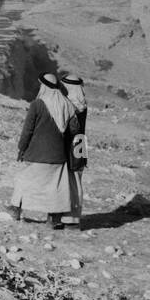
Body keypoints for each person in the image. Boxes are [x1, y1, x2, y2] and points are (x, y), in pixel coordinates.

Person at [7, 74, 80, 230]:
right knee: (56, 187)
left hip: (37, 155)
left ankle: (15, 210)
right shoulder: (67, 105)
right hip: (58, 156)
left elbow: (28, 130)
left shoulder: (37, 105)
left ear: (44, 87)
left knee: (24, 179)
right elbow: (74, 130)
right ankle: (54, 220)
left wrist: (22, 148)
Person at [60, 74, 88, 228]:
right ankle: (73, 217)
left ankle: (70, 219)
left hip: (71, 145)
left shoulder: (71, 103)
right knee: (77, 181)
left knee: (70, 182)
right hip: (81, 145)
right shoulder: (82, 102)